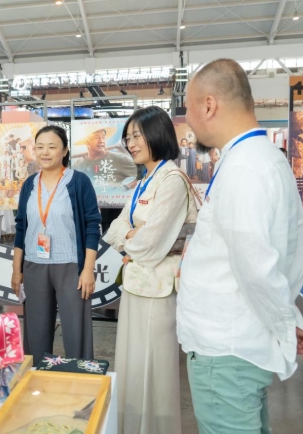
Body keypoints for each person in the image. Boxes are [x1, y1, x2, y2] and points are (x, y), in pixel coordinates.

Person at [177, 59, 303, 433]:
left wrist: (284, 324)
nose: (187, 119)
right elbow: (280, 256)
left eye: (188, 107)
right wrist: (288, 319)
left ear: (209, 105)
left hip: (226, 348)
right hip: (238, 342)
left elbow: (256, 266)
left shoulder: (244, 168)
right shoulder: (259, 159)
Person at [103, 106, 195, 434]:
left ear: (157, 134)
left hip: (159, 288)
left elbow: (150, 245)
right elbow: (113, 230)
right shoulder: (146, 180)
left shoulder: (172, 181)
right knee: (132, 364)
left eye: (136, 136)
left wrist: (132, 237)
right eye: (127, 138)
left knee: (155, 370)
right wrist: (132, 235)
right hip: (136, 284)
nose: (130, 144)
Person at [11, 125, 100, 365]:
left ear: (65, 151)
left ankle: (80, 378)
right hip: (34, 265)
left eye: (52, 147)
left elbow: (93, 226)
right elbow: (21, 227)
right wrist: (17, 269)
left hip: (70, 266)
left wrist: (88, 269)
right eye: (40, 147)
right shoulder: (29, 184)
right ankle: (37, 378)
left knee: (76, 332)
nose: (45, 152)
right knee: (36, 333)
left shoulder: (78, 182)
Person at [72, 126, 137, 183]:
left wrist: (124, 187)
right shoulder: (77, 164)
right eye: (96, 138)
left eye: (103, 137)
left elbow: (139, 179)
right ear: (86, 141)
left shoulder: (121, 159)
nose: (101, 141)